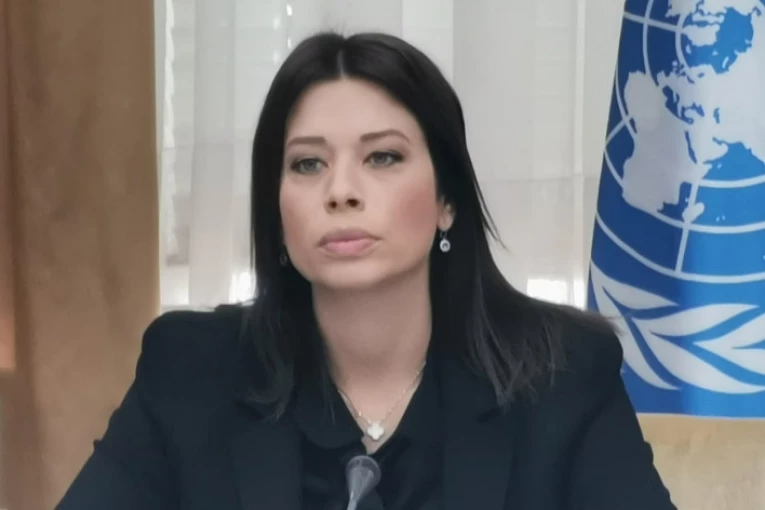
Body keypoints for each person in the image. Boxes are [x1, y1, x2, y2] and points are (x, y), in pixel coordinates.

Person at [57, 32, 676, 510]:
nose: (341, 191)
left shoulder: (562, 374)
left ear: (447, 200)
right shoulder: (190, 372)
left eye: (382, 157)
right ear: (275, 209)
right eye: (307, 165)